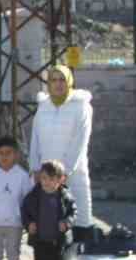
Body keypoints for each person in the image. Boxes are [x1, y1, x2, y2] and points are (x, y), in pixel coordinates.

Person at [27, 64, 94, 239]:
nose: (58, 84)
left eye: (62, 79)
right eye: (53, 80)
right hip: (45, 178)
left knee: (76, 224)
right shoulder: (43, 107)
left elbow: (80, 142)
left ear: (69, 81)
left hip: (72, 175)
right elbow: (35, 139)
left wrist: (64, 172)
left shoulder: (81, 107)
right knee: (47, 226)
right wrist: (35, 167)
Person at [22, 159, 76, 260]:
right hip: (39, 237)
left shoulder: (65, 196)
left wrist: (67, 222)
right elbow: (25, 211)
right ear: (40, 178)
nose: (47, 182)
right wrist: (29, 224)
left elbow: (73, 212)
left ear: (60, 180)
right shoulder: (33, 196)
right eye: (44, 178)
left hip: (57, 238)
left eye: (52, 179)